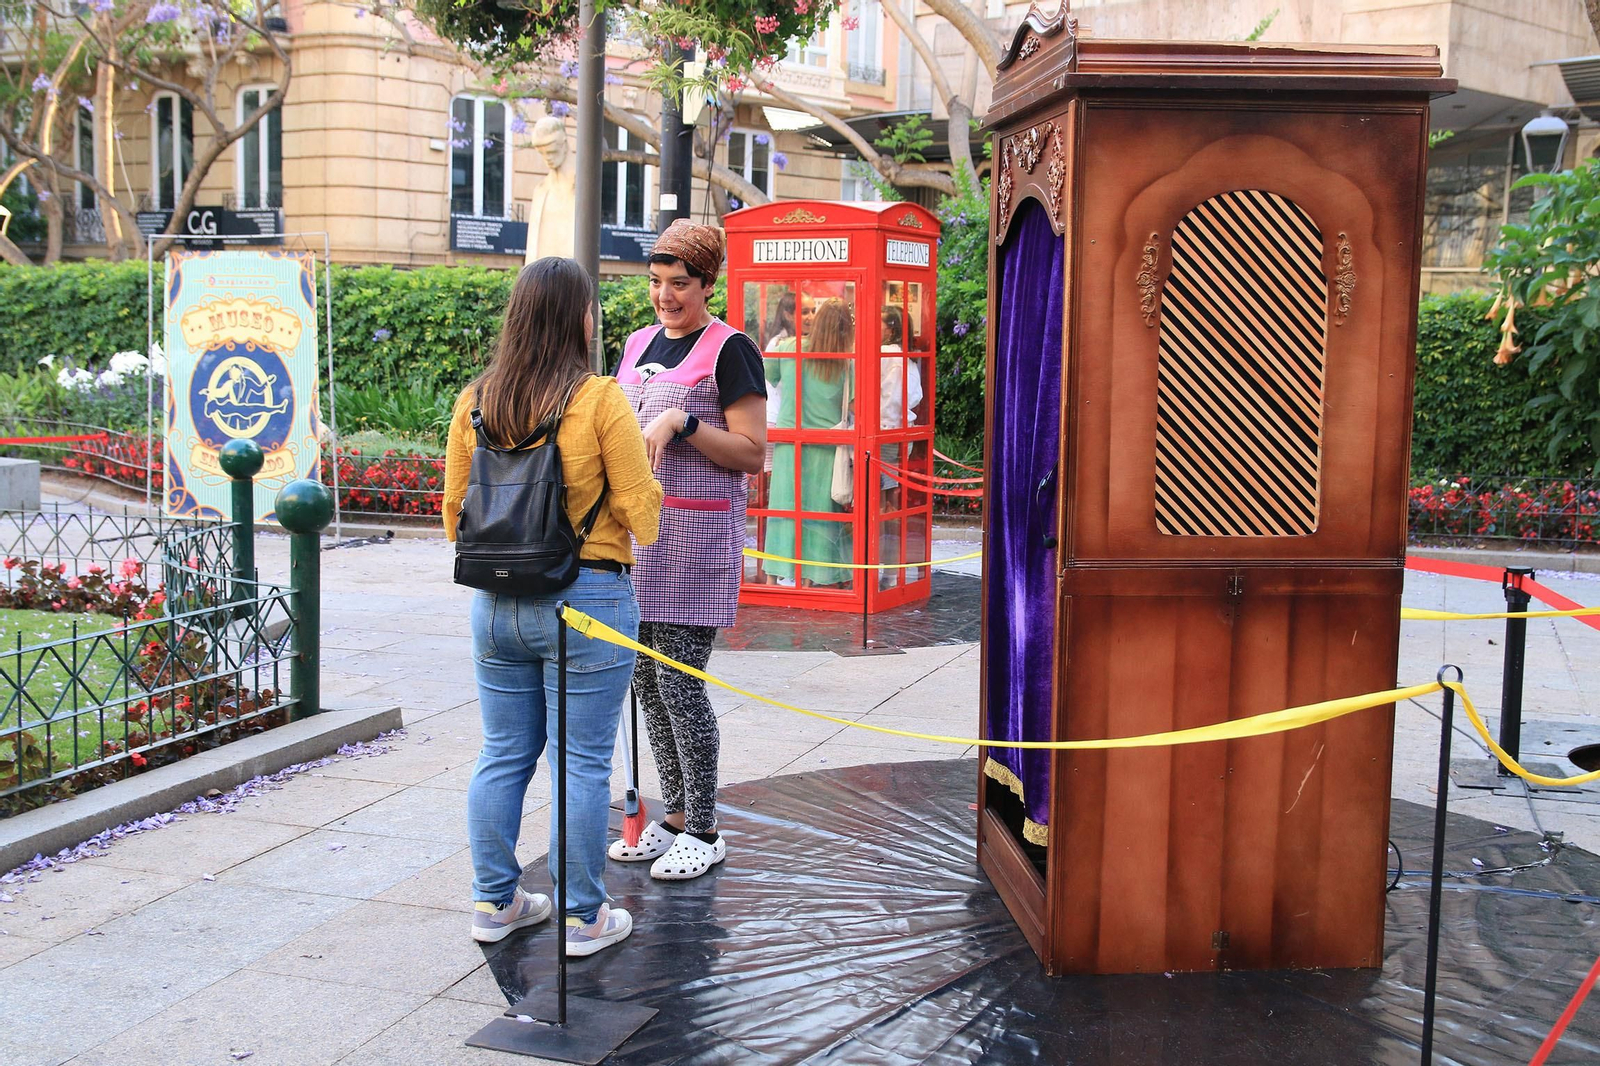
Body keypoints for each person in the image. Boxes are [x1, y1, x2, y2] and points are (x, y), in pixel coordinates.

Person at [444, 257, 663, 956]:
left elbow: (455, 516)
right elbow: (641, 513)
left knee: (503, 753)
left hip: (495, 603)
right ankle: (581, 918)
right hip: (587, 598)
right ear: (578, 318)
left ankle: (495, 900)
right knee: (581, 761)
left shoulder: (476, 401)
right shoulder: (599, 399)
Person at [609, 219, 767, 880]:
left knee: (680, 684)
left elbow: (753, 452)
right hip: (638, 541)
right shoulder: (638, 342)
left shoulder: (731, 349)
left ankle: (703, 828)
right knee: (646, 683)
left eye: (680, 284)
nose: (665, 296)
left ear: (708, 284)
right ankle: (672, 816)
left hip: (696, 543)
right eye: (656, 282)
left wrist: (686, 422)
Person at [762, 297, 855, 587]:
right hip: (827, 448)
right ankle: (818, 577)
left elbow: (768, 377)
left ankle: (771, 577)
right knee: (822, 516)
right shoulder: (846, 362)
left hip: (790, 444)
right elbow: (854, 405)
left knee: (784, 512)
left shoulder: (788, 348)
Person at [524, 117, 576, 262]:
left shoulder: (581, 185)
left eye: (552, 152)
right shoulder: (541, 190)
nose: (548, 158)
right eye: (543, 153)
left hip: (571, 278)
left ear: (564, 145)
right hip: (540, 279)